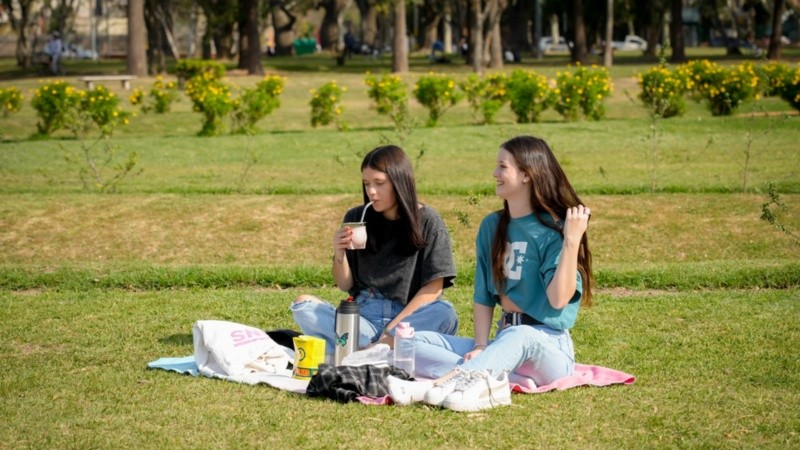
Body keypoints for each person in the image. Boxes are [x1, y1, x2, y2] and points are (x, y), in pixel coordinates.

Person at [386, 135, 594, 412]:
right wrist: (482, 344)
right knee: (410, 341)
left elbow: (558, 300)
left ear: (527, 175)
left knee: (521, 335)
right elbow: (483, 295)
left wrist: (571, 241)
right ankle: (496, 375)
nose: (495, 173)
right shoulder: (492, 226)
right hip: (502, 339)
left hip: (547, 348)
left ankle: (435, 386)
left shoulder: (553, 232)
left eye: (502, 166)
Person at [291, 144, 459, 358]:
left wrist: (391, 332)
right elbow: (345, 284)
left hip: (407, 317)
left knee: (444, 312)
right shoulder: (357, 217)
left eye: (379, 183)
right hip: (362, 318)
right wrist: (339, 253)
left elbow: (433, 289)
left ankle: (365, 347)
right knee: (302, 304)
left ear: (399, 181)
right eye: (366, 183)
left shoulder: (427, 221)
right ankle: (379, 349)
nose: (371, 191)